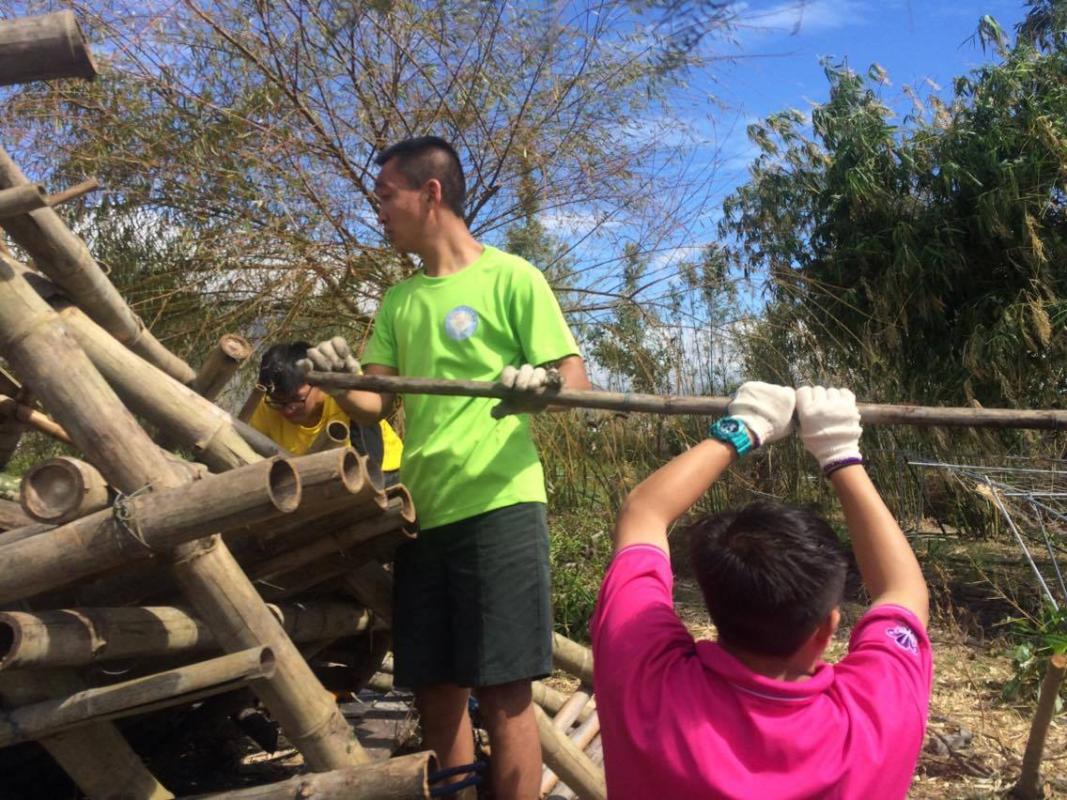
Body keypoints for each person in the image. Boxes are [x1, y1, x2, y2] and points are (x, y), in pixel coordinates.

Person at [299, 136, 591, 798]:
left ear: (430, 193)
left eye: (385, 195)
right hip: (422, 513)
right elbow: (375, 401)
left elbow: (572, 379)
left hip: (499, 503)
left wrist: (541, 386)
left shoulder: (512, 277)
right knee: (434, 685)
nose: (377, 211)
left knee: (504, 689)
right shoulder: (400, 301)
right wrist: (339, 380)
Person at [591, 383, 932, 799]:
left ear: (713, 605)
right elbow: (903, 590)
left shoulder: (646, 680)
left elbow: (643, 512)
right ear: (827, 628)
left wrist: (742, 429)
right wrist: (839, 451)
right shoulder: (875, 719)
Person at [250, 342, 403, 482]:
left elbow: (372, 448)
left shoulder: (345, 388)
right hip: (322, 481)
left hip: (383, 470)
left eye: (296, 399)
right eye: (279, 402)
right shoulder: (267, 405)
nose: (288, 409)